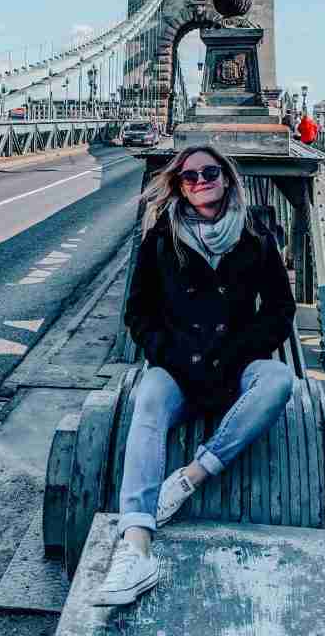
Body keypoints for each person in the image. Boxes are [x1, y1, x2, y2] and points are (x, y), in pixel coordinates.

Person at [93, 145, 296, 606]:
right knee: (148, 400)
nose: (199, 180)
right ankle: (136, 546)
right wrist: (170, 355)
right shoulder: (160, 239)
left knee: (279, 381)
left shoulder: (256, 236)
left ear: (226, 177)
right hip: (180, 368)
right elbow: (138, 313)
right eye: (188, 177)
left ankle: (191, 475)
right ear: (179, 186)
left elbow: (281, 311)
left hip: (236, 364)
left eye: (209, 172)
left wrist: (239, 352)